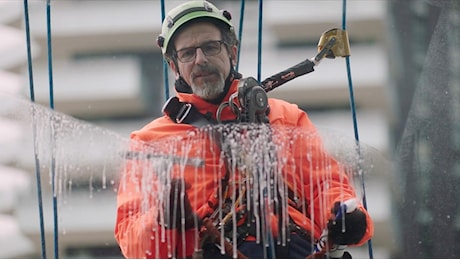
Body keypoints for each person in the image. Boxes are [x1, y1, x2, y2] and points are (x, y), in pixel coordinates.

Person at [114, 0, 374, 258]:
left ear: (232, 53)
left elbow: (323, 185)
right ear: (174, 66)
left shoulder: (283, 117)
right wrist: (162, 222)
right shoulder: (151, 141)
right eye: (187, 53)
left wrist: (342, 213)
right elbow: (132, 240)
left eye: (210, 47)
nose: (200, 60)